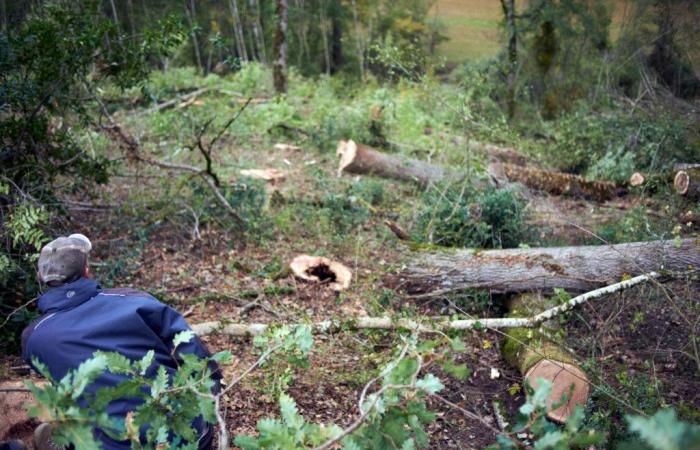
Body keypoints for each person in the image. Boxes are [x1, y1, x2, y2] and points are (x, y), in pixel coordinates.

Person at [21, 234, 220, 450]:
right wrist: (211, 397)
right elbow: (194, 355)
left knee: (53, 428)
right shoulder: (134, 301)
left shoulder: (34, 338)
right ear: (87, 271)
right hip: (187, 436)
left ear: (41, 276)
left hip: (109, 443)